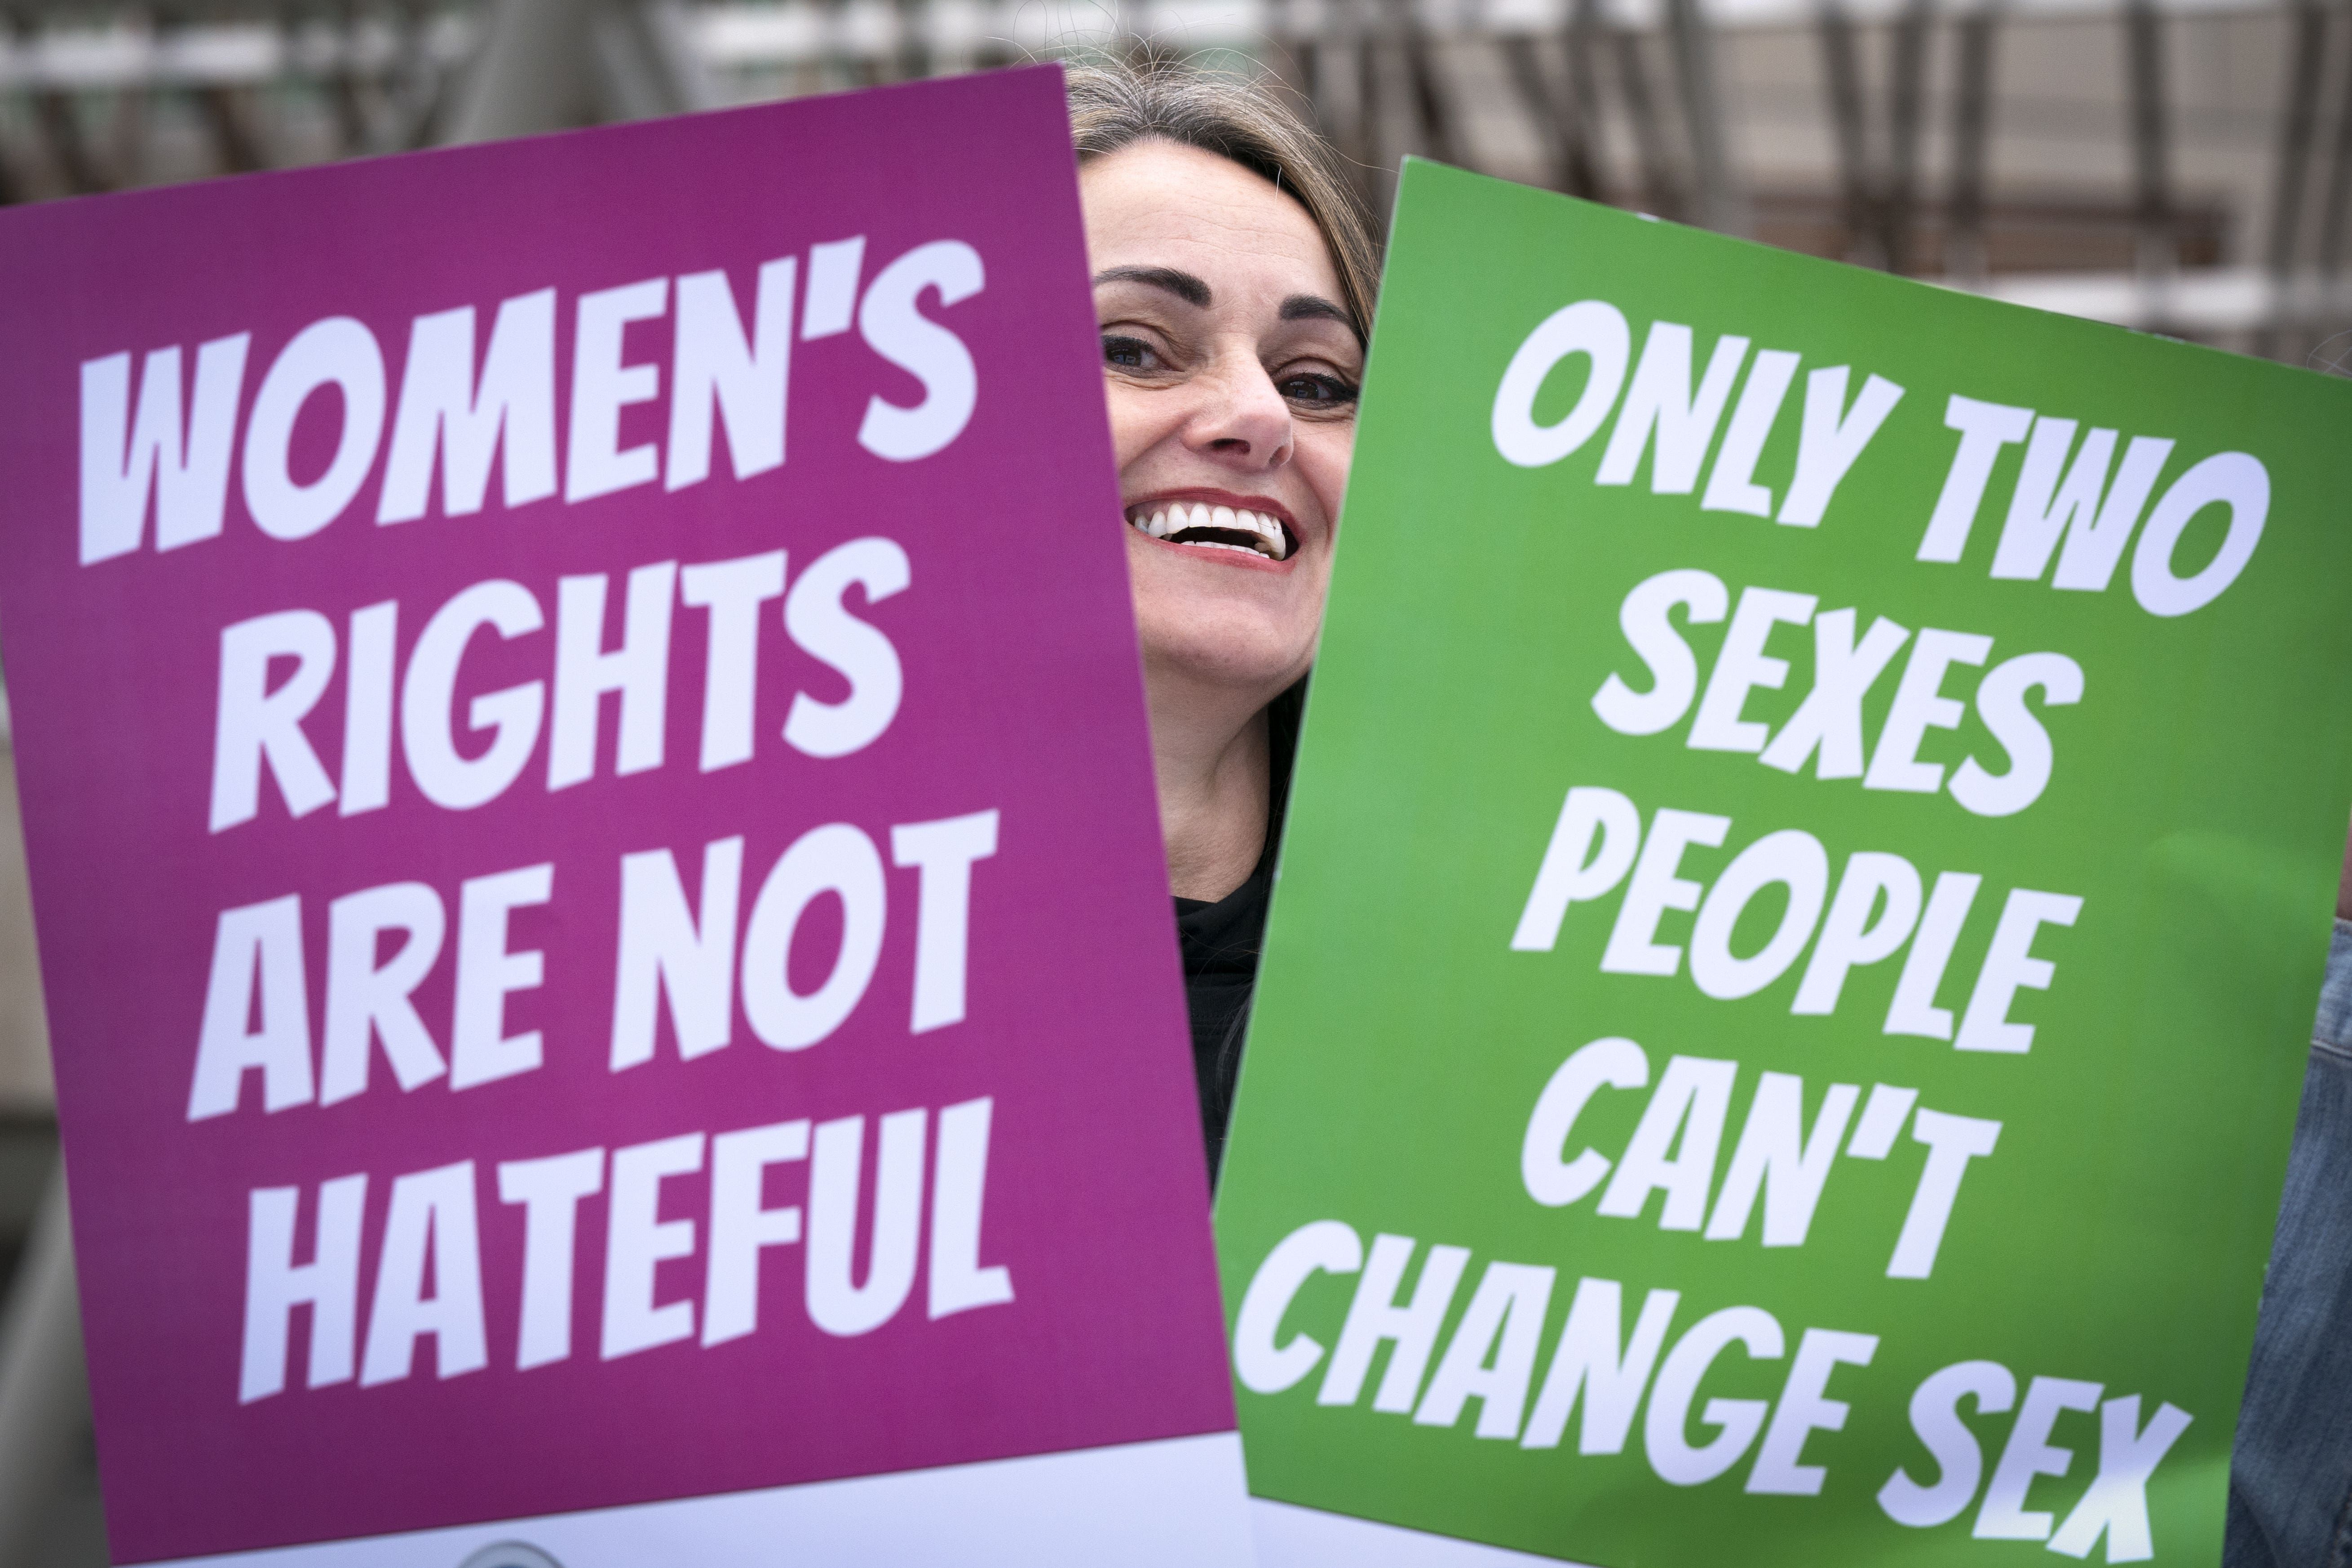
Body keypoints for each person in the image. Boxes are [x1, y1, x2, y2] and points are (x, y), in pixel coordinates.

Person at [1068, 59, 1380, 1178]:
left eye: (1316, 381)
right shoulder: (707, 972)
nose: (1259, 417)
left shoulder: (1522, 971)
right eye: (1131, 349)